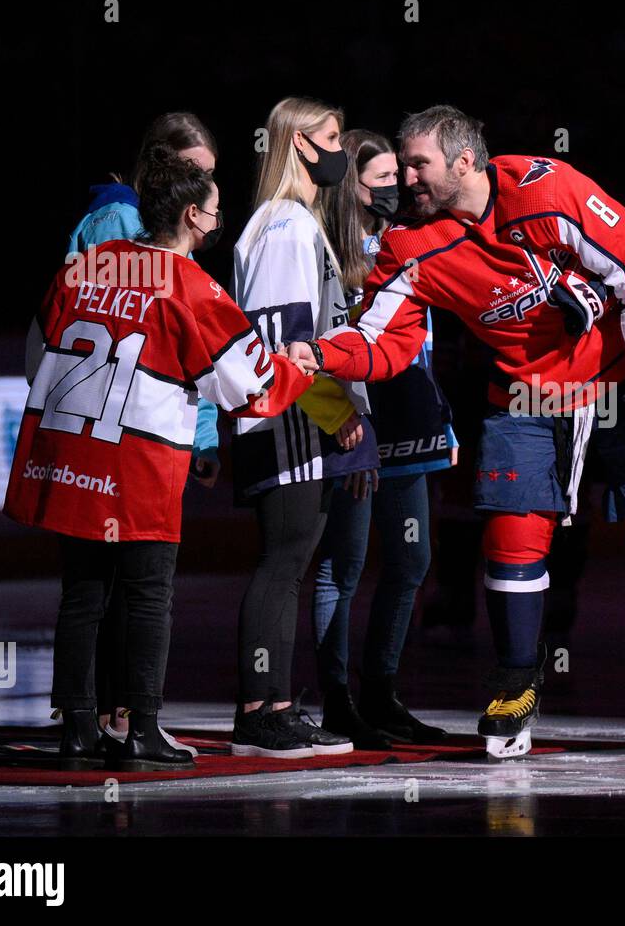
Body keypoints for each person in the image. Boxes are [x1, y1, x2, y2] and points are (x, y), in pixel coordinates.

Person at [288, 104, 625, 758]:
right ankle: (517, 681)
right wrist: (321, 355)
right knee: (513, 535)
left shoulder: (545, 187)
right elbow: (382, 340)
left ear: (465, 161)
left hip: (618, 370)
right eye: (404, 165)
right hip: (528, 390)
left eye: (418, 164)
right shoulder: (411, 244)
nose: (407, 178)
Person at [4, 145, 314, 770]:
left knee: (83, 592)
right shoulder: (195, 287)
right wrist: (300, 370)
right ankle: (142, 728)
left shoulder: (90, 263)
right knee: (148, 593)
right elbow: (250, 388)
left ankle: (79, 731)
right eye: (217, 211)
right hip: (137, 462)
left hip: (72, 451)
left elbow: (42, 339)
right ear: (196, 217)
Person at [66, 112, 221, 754]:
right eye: (196, 177)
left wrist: (205, 433)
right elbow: (207, 355)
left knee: (100, 587)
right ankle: (119, 719)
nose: (206, 196)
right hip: (125, 439)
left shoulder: (163, 261)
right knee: (131, 587)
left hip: (107, 430)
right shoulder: (128, 237)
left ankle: (98, 722)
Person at [229, 97, 378, 758]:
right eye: (330, 136)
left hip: (294, 417)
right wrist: (334, 410)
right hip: (289, 419)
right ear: (296, 145)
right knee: (283, 561)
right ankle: (260, 711)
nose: (339, 149)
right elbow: (283, 338)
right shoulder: (285, 227)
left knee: (290, 564)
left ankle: (278, 706)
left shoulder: (289, 223)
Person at [311, 129, 456, 747]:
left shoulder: (417, 238)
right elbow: (318, 346)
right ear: (354, 187)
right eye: (382, 180)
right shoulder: (329, 247)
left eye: (401, 175)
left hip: (412, 422)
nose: (399, 187)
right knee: (343, 565)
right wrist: (346, 421)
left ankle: (381, 689)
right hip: (357, 425)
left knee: (412, 559)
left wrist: (439, 415)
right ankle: (336, 698)